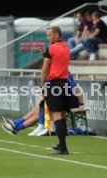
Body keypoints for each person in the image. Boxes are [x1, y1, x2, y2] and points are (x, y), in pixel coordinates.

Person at [0, 72, 84, 136]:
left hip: (70, 103)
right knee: (38, 108)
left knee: (41, 109)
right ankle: (15, 124)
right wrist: (43, 96)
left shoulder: (63, 75)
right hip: (60, 101)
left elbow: (77, 89)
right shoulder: (51, 75)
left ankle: (18, 127)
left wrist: (81, 104)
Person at [40, 26, 72, 155]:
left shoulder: (51, 48)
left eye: (50, 35)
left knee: (56, 116)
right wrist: (45, 55)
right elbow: (56, 63)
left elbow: (45, 70)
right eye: (47, 35)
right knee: (62, 115)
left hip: (54, 84)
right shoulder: (66, 47)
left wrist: (42, 87)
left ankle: (63, 148)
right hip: (65, 83)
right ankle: (61, 144)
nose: (48, 38)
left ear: (57, 35)